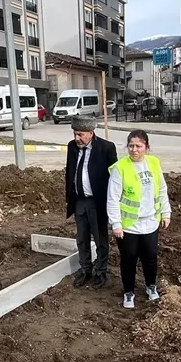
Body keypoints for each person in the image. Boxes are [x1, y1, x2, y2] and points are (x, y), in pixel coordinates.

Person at [107, 130, 171, 309]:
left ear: (147, 147)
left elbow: (161, 189)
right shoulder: (120, 168)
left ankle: (151, 286)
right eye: (131, 146)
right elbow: (112, 198)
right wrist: (116, 223)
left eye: (138, 146)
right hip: (129, 225)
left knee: (150, 258)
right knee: (129, 259)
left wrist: (166, 212)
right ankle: (129, 292)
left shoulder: (154, 163)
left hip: (150, 221)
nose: (134, 150)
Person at [64, 115, 117, 288]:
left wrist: (112, 202)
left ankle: (100, 272)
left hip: (97, 202)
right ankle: (85, 269)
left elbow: (114, 177)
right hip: (79, 200)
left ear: (91, 133)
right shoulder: (72, 147)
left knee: (100, 239)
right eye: (75, 134)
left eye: (80, 134)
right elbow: (70, 172)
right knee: (82, 238)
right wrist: (69, 198)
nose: (76, 138)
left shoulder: (106, 148)